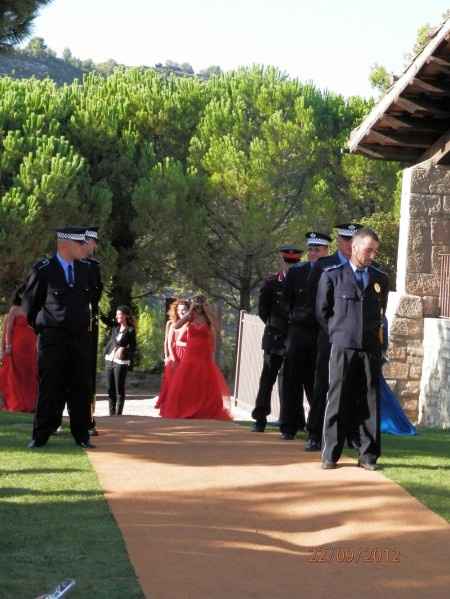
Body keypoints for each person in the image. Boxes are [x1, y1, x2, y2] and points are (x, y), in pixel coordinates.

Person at [316, 227, 389, 470]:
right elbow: (322, 313)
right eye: (368, 250)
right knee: (337, 398)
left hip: (370, 348)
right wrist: (339, 334)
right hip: (343, 347)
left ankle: (368, 455)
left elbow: (380, 315)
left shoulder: (380, 278)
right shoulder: (333, 275)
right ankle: (330, 454)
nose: (371, 255)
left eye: (374, 251)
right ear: (354, 247)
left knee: (370, 401)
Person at [22, 227, 94, 449]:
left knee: (80, 386)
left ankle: (82, 434)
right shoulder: (44, 269)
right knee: (50, 386)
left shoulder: (87, 270)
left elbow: (91, 299)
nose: (84, 247)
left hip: (80, 338)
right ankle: (40, 435)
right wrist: (44, 327)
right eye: (79, 244)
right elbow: (29, 304)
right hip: (53, 338)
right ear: (64, 245)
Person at [305, 223, 362, 452]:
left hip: (356, 340)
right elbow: (316, 303)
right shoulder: (323, 265)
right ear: (339, 241)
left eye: (353, 240)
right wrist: (333, 330)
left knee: (354, 387)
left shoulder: (367, 266)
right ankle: (315, 434)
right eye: (345, 240)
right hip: (329, 336)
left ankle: (350, 434)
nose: (349, 245)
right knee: (323, 385)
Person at [280, 232, 330, 439]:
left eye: (317, 249)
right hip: (298, 331)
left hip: (320, 332)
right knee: (292, 379)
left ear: (327, 251)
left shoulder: (330, 271)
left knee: (317, 383)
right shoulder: (297, 272)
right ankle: (289, 426)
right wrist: (293, 317)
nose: (312, 253)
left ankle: (316, 428)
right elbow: (286, 301)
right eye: (310, 249)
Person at [251, 245, 303, 433]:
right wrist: (275, 325)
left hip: (294, 337)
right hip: (275, 337)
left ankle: (290, 421)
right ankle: (260, 418)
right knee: (267, 379)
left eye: (295, 262)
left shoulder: (302, 282)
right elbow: (263, 311)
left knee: (291, 381)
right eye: (288, 262)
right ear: (281, 261)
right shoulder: (271, 283)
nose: (291, 265)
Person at [160, 295, 231, 420]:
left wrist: (208, 310)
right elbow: (176, 326)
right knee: (188, 380)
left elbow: (218, 328)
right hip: (190, 355)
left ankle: (205, 409)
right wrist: (190, 309)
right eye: (196, 305)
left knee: (205, 381)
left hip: (204, 355)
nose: (198, 307)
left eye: (200, 305)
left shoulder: (208, 318)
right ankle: (187, 407)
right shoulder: (190, 317)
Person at [0, 284, 38, 412]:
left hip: (31, 347)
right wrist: (8, 346)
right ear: (20, 294)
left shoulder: (33, 308)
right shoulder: (14, 309)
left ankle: (30, 404)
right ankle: (17, 403)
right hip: (16, 348)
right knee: (17, 375)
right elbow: (8, 330)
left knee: (30, 374)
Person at [82, 226, 103, 436]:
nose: (93, 247)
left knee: (87, 372)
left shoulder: (93, 266)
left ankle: (87, 418)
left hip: (87, 322)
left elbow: (97, 292)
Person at [156, 299, 189, 411]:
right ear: (175, 311)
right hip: (175, 356)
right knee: (172, 384)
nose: (182, 312)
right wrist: (170, 358)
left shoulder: (190, 324)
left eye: (184, 310)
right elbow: (169, 342)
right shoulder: (172, 324)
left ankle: (183, 406)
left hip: (187, 356)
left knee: (185, 384)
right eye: (179, 310)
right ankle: (170, 406)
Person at [104, 305, 137, 416]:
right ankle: (111, 414)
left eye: (119, 314)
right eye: (117, 314)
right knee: (110, 389)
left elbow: (133, 347)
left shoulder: (131, 330)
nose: (117, 316)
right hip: (109, 359)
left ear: (126, 316)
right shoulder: (115, 328)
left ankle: (118, 416)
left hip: (121, 362)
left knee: (119, 389)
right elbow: (105, 320)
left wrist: (124, 349)